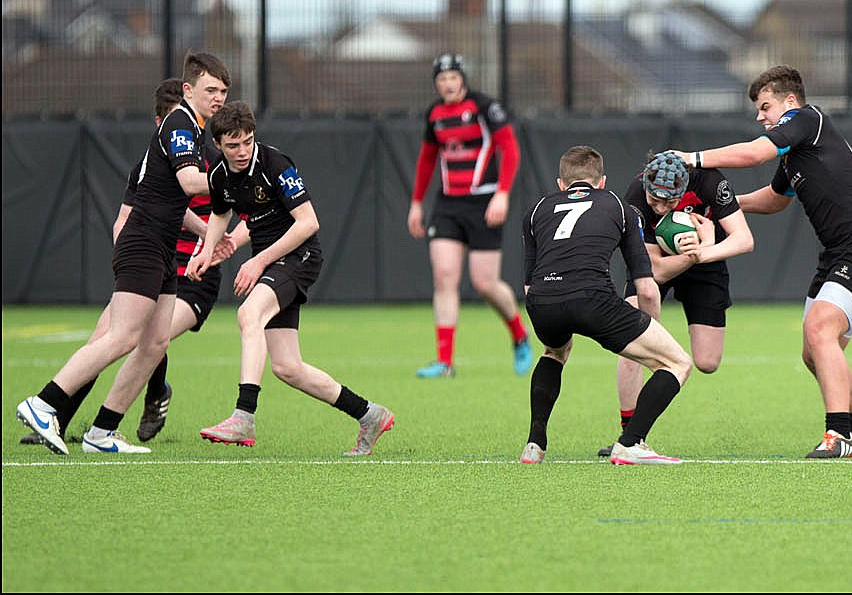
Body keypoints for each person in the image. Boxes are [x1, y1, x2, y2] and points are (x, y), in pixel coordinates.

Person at [665, 65, 852, 459]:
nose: (760, 116)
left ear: (789, 101)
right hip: (836, 254)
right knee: (813, 352)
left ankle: (840, 437)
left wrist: (691, 158)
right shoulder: (795, 152)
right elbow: (774, 199)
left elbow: (754, 153)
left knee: (820, 329)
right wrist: (720, 207)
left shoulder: (807, 119)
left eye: (765, 107)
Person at [19, 79, 251, 448]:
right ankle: (56, 417)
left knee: (147, 339)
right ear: (160, 122)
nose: (176, 133)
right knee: (113, 337)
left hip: (194, 279)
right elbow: (127, 218)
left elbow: (246, 208)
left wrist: (220, 242)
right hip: (150, 257)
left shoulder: (217, 156)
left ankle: (131, 406)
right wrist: (128, 258)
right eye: (168, 123)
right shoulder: (153, 162)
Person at [190, 102, 395, 456]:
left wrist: (257, 262)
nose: (242, 151)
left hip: (299, 257)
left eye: (247, 142)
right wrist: (206, 252)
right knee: (287, 367)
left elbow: (308, 222)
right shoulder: (219, 175)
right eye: (233, 145)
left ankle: (243, 416)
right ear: (218, 145)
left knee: (248, 314)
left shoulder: (275, 164)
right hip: (273, 263)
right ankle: (369, 414)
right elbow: (221, 214)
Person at [518, 146, 694, 465]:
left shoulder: (537, 209)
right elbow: (646, 288)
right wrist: (651, 328)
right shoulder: (619, 206)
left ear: (561, 184)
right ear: (602, 182)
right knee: (677, 363)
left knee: (554, 352)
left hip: (542, 301)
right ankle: (630, 443)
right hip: (592, 300)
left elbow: (528, 286)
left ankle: (534, 445)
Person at [595, 151, 754, 457]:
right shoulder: (636, 194)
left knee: (707, 362)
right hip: (660, 260)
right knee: (632, 338)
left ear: (682, 191)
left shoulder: (710, 182)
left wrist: (703, 251)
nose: (659, 208)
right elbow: (654, 270)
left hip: (707, 262)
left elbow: (744, 239)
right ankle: (630, 435)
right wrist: (695, 252)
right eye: (654, 200)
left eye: (668, 203)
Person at [408, 53, 531, 378]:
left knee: (484, 283)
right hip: (447, 205)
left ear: (463, 79)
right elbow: (427, 159)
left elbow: (510, 148)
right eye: (442, 79)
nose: (448, 84)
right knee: (444, 276)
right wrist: (417, 203)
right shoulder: (435, 114)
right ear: (436, 83)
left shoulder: (484, 107)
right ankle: (444, 362)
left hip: (484, 203)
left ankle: (519, 335)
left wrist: (502, 194)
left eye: (453, 77)